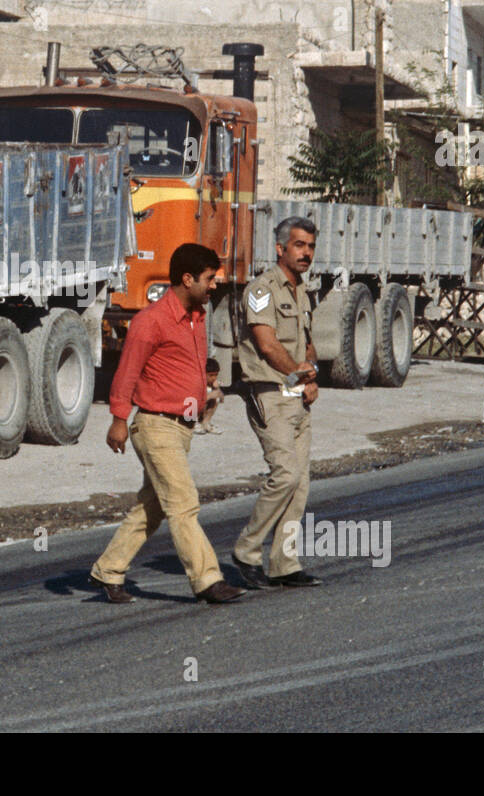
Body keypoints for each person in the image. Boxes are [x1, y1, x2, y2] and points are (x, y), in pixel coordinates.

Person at [89, 243, 246, 605]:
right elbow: (126, 373)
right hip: (154, 426)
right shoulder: (151, 320)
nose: (214, 286)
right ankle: (208, 580)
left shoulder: (197, 317)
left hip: (181, 429)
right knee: (183, 502)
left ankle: (108, 570)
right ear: (187, 278)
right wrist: (118, 421)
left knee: (154, 506)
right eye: (209, 279)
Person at [231, 216, 322, 590]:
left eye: (311, 247)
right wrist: (299, 375)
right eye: (299, 245)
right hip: (270, 392)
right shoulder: (261, 290)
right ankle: (246, 551)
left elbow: (307, 341)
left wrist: (312, 374)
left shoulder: (302, 290)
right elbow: (267, 345)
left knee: (299, 483)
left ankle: (284, 563)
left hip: (297, 395)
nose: (306, 253)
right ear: (280, 248)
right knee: (284, 473)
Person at [194, 357, 224, 434]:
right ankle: (194, 423)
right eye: (211, 375)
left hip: (202, 410)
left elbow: (222, 400)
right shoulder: (198, 382)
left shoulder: (214, 383)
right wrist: (210, 396)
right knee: (207, 395)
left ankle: (205, 422)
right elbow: (193, 401)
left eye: (216, 375)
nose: (214, 378)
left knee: (216, 398)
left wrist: (216, 389)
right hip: (189, 413)